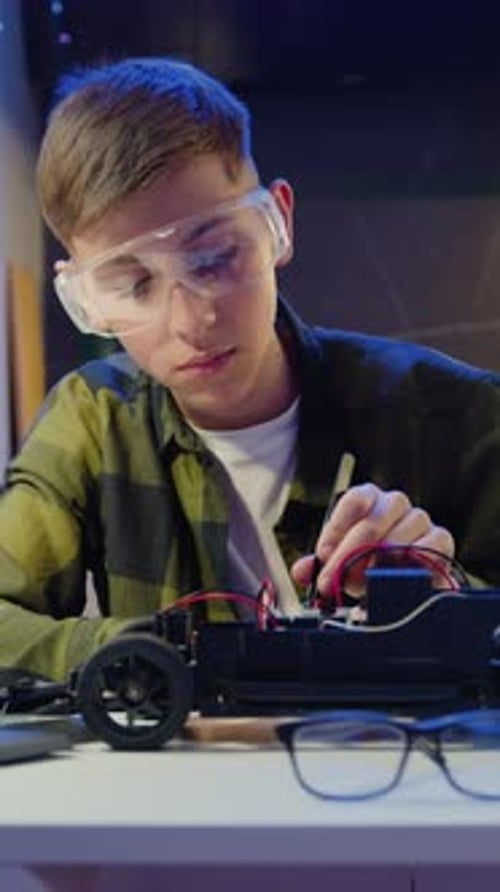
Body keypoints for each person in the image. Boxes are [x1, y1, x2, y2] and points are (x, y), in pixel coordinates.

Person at [1, 55, 500, 683]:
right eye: (132, 286)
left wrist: (445, 601)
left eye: (214, 258)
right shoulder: (93, 420)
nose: (191, 322)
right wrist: (163, 654)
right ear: (85, 298)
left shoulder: (455, 415)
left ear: (277, 223)